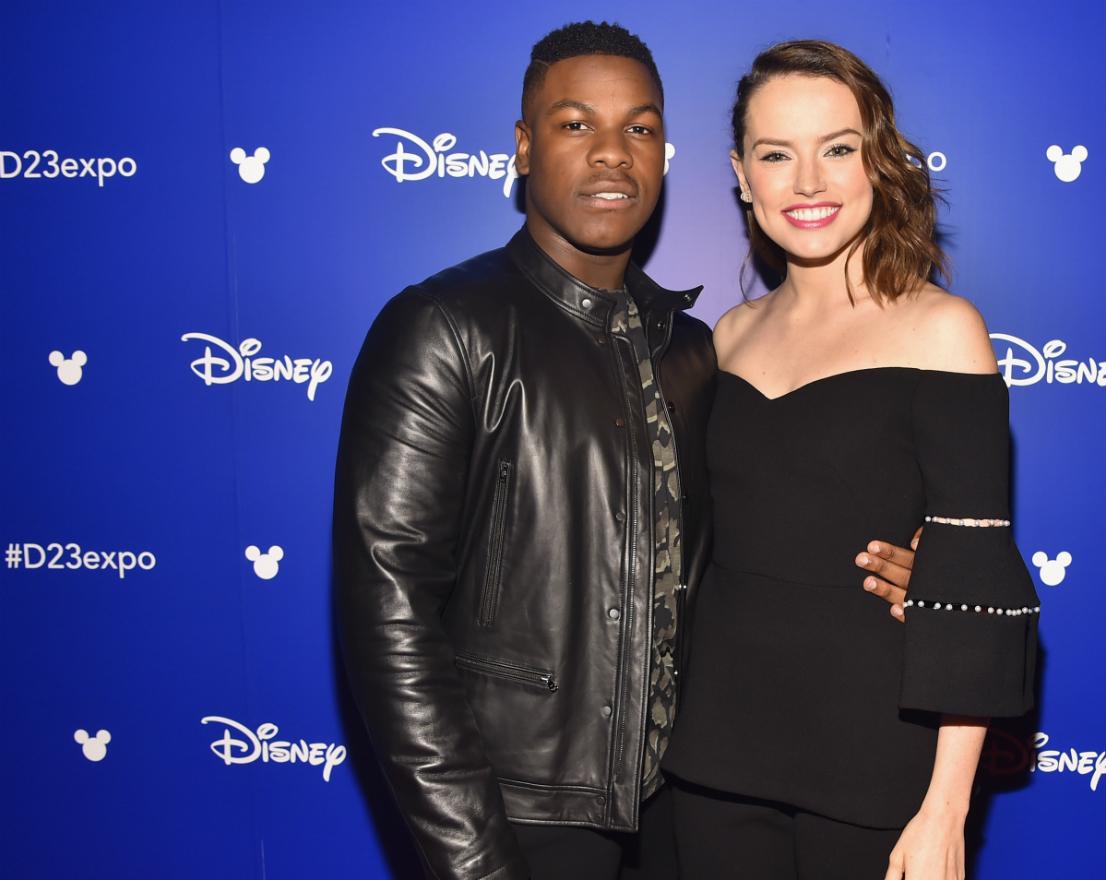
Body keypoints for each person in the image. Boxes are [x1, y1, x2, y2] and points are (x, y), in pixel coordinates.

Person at [332, 23, 916, 880]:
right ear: (525, 147)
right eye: (577, 125)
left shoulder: (687, 349)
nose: (613, 154)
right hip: (522, 809)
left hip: (682, 810)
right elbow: (389, 614)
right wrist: (475, 857)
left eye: (640, 128)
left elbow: (757, 534)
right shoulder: (444, 327)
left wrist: (929, 567)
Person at [661, 40, 1042, 880]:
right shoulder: (727, 338)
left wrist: (946, 810)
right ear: (740, 173)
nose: (808, 182)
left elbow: (977, 586)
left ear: (878, 159)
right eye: (776, 154)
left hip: (877, 766)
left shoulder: (943, 330)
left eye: (837, 148)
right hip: (715, 756)